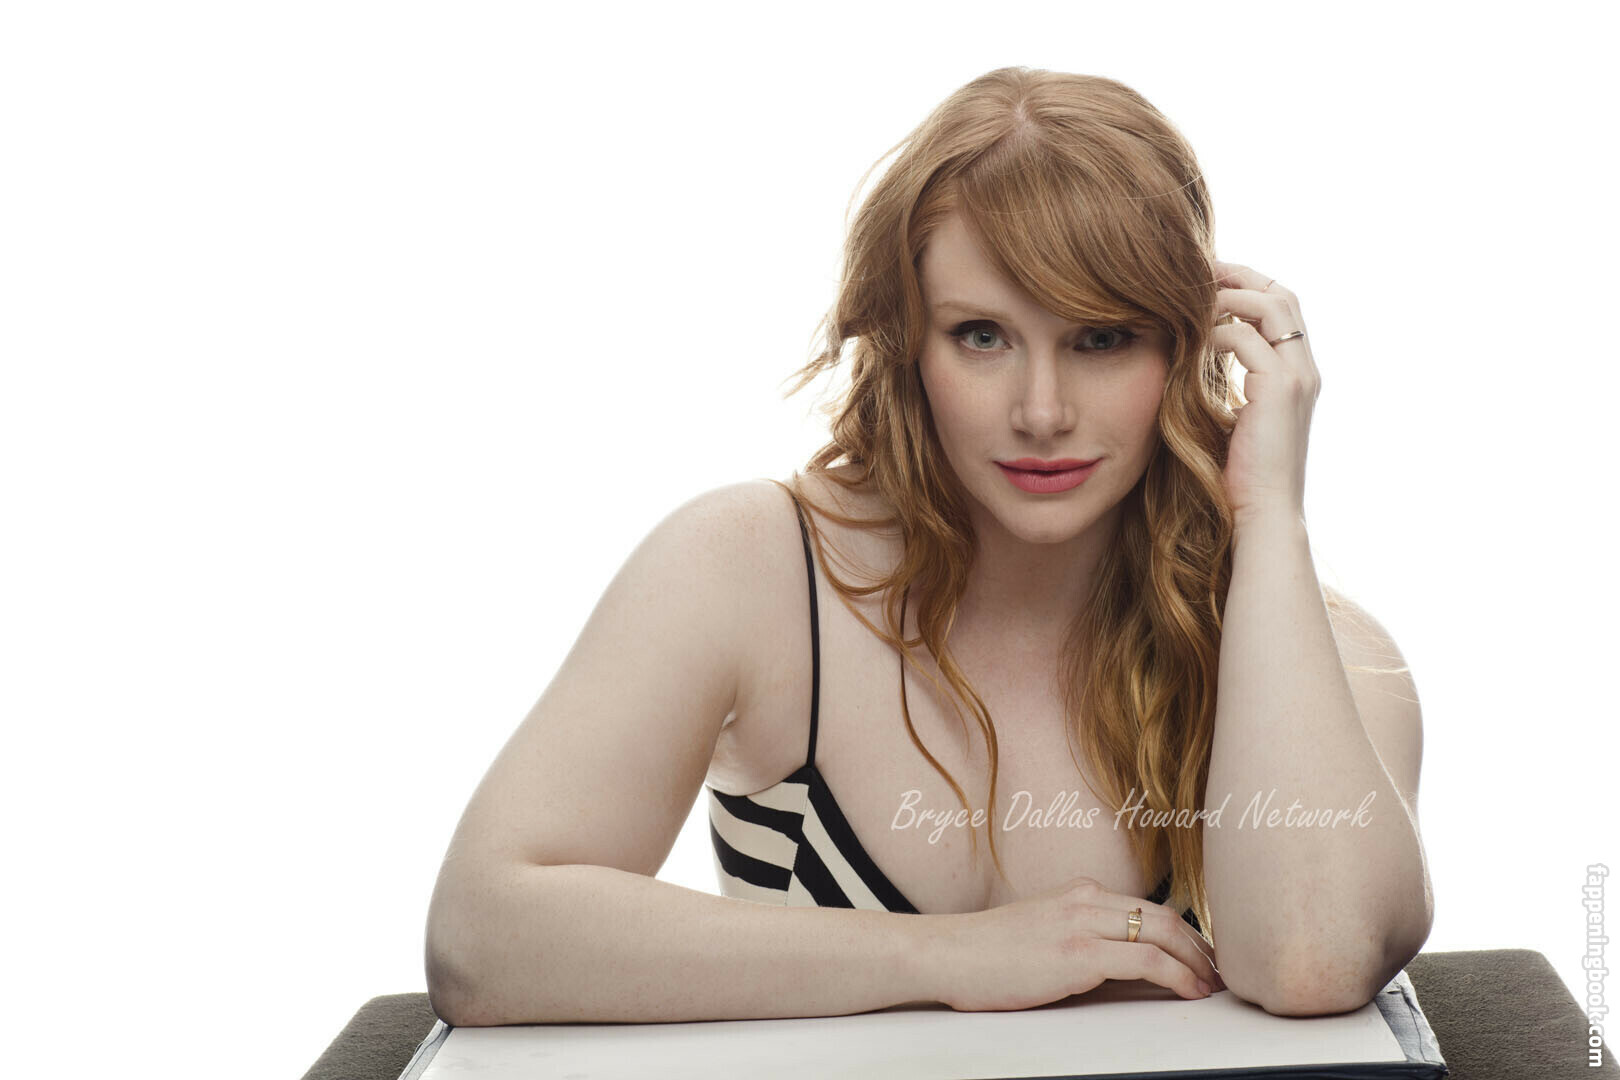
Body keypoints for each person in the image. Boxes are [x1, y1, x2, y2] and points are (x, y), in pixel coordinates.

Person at [422, 66, 1432, 1028]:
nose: (1042, 412)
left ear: (1186, 346)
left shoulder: (1307, 644)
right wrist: (951, 957)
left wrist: (1270, 517)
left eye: (1101, 338)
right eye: (982, 335)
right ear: (907, 340)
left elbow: (1312, 959)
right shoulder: (751, 571)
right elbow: (480, 938)